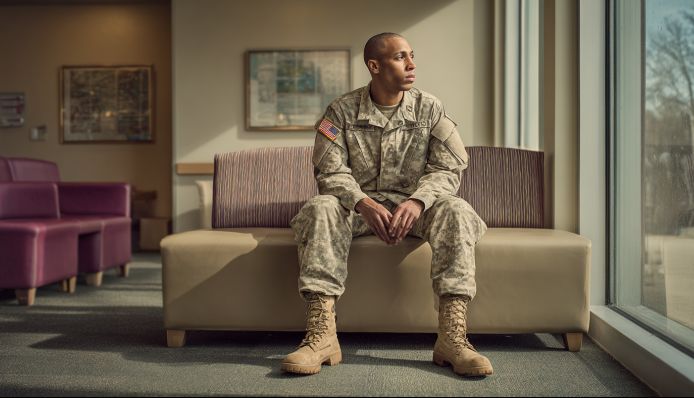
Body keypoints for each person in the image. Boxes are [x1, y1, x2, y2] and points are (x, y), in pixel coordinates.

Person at [281, 32, 492, 377]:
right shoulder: (341, 110)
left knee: (456, 209)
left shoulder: (429, 107)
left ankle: (453, 338)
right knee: (320, 207)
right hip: (359, 210)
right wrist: (362, 202)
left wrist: (419, 201)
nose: (412, 65)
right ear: (374, 66)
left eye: (411, 56)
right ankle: (322, 336)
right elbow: (328, 170)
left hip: (416, 209)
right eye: (400, 57)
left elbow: (450, 166)